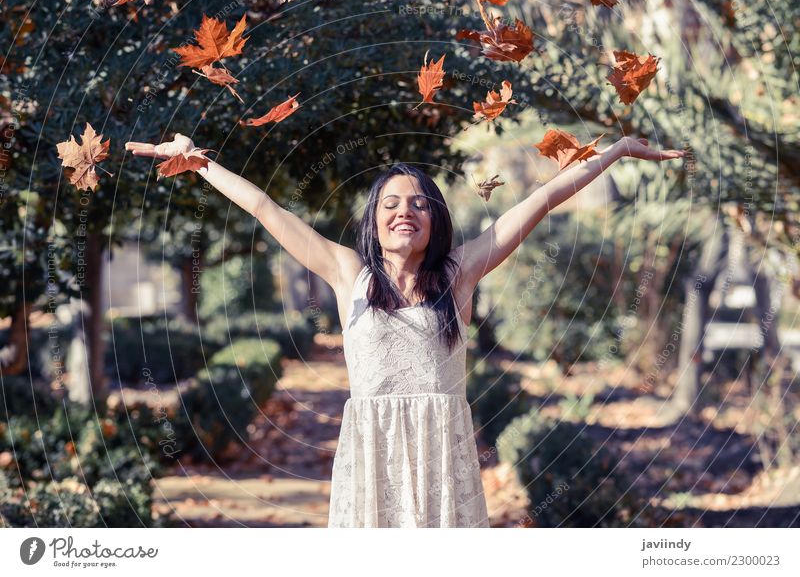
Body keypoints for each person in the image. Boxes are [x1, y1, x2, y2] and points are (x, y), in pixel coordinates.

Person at [125, 134, 686, 527]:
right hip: (372, 453)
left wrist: (615, 152)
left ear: (434, 220)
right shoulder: (349, 273)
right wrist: (198, 163)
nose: (405, 211)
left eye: (419, 204)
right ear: (373, 218)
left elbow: (542, 198)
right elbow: (266, 209)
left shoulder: (459, 273)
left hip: (441, 455)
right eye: (391, 203)